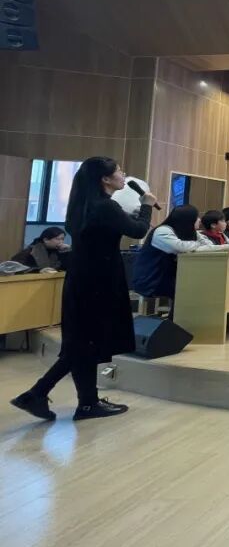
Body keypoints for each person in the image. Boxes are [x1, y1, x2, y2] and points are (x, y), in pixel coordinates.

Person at [11, 157, 155, 422]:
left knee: (83, 342)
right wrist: (147, 206)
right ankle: (39, 394)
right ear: (105, 179)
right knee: (85, 343)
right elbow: (138, 231)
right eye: (119, 171)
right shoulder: (106, 206)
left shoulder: (83, 205)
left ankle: (85, 403)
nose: (123, 175)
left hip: (82, 277)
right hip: (100, 279)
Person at [131, 205, 219, 305]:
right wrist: (197, 245)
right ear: (187, 219)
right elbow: (179, 247)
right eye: (196, 217)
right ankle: (179, 315)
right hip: (152, 278)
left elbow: (209, 246)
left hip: (172, 276)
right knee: (191, 289)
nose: (199, 220)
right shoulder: (162, 231)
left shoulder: (191, 232)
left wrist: (196, 244)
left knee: (202, 285)